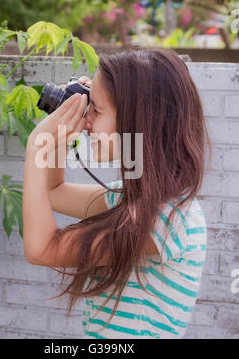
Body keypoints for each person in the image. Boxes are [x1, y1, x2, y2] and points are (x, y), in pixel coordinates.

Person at [22, 48, 212, 339]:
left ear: (138, 123)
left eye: (95, 111)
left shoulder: (168, 219)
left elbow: (41, 249)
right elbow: (53, 191)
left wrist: (38, 145)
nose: (87, 121)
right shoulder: (128, 200)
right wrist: (62, 135)